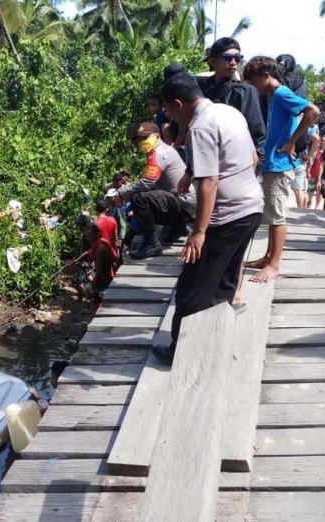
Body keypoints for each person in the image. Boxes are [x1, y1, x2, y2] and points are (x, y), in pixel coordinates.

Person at [153, 72, 263, 363]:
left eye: (168, 109)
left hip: (225, 218)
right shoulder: (228, 112)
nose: (168, 115)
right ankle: (214, 343)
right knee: (225, 282)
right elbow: (252, 159)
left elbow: (209, 182)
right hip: (251, 208)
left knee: (193, 288)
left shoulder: (199, 127)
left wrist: (199, 232)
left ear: (178, 104)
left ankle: (182, 353)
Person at [243, 56, 320, 283]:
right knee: (271, 214)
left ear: (266, 76)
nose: (254, 87)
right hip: (273, 163)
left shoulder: (281, 93)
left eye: (254, 81)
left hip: (279, 164)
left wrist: (291, 142)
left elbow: (312, 111)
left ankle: (274, 265)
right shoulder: (272, 97)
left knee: (277, 217)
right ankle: (268, 256)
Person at [125, 122, 191, 258]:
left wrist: (122, 194)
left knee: (138, 198)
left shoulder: (158, 153)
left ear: (156, 136)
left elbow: (146, 183)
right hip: (187, 204)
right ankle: (178, 228)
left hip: (184, 204)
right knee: (149, 196)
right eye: (140, 139)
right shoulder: (163, 149)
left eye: (145, 138)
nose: (142, 142)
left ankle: (152, 244)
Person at [198, 37, 266, 165]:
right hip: (206, 158)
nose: (234, 62)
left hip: (235, 160)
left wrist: (255, 162)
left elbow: (256, 131)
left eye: (238, 58)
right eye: (228, 58)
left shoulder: (244, 91)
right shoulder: (202, 88)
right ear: (212, 61)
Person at [86, 222, 116, 313]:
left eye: (90, 235)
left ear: (97, 234)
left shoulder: (100, 249)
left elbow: (99, 271)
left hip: (103, 281)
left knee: (100, 308)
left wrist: (93, 285)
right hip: (106, 277)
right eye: (87, 236)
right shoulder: (101, 243)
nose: (88, 238)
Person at [291, 124, 321, 208]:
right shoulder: (306, 128)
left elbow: (317, 139)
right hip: (300, 160)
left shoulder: (292, 124)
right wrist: (309, 155)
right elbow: (317, 139)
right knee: (299, 190)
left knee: (295, 189)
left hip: (289, 160)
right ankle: (301, 210)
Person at [306, 135, 325, 209]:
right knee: (310, 190)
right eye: (322, 140)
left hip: (321, 175)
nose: (323, 142)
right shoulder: (315, 150)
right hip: (313, 172)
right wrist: (308, 170)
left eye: (324, 141)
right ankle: (310, 200)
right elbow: (310, 160)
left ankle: (317, 206)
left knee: (319, 191)